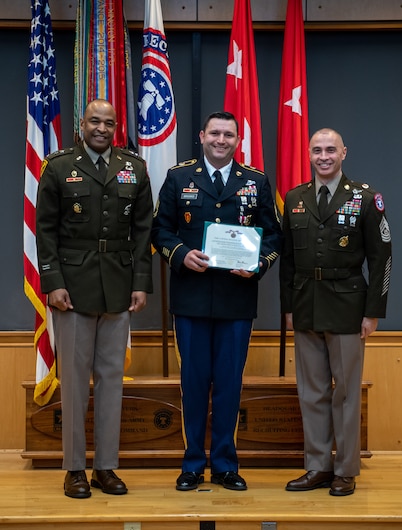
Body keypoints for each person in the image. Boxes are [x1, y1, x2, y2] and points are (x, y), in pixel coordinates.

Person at [151, 111, 282, 492]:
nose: (221, 140)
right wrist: (179, 254)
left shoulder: (255, 181)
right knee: (193, 384)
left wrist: (258, 264)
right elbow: (160, 228)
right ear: (202, 136)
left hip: (236, 300)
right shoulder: (179, 176)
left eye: (229, 134)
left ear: (238, 140)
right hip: (190, 299)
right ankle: (192, 463)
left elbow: (274, 236)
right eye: (215, 133)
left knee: (229, 384)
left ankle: (226, 464)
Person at [36, 99, 153, 499]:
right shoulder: (58, 165)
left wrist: (141, 282)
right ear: (81, 124)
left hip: (118, 287)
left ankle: (105, 466)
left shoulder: (133, 167)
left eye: (109, 123)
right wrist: (52, 282)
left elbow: (142, 231)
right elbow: (45, 230)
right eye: (94, 121)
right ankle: (74, 469)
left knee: (111, 382)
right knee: (73, 384)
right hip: (72, 287)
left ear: (116, 126)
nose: (101, 128)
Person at [279, 128, 392, 497]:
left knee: (344, 393)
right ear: (308, 154)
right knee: (311, 392)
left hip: (348, 304)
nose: (324, 156)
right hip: (306, 303)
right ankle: (317, 467)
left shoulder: (364, 197)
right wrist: (288, 308)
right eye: (317, 150)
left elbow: (382, 259)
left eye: (331, 149)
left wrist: (373, 311)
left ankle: (345, 469)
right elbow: (287, 262)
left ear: (344, 152)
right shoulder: (295, 198)